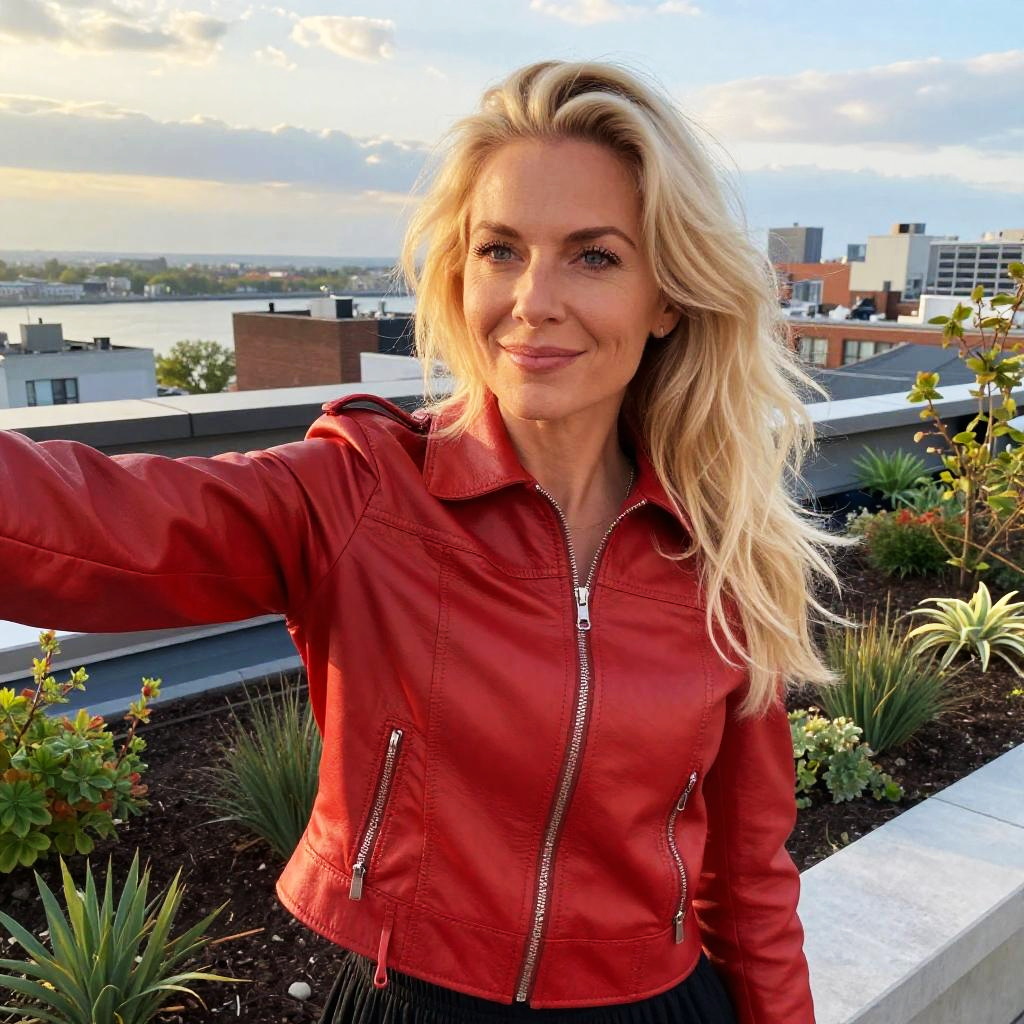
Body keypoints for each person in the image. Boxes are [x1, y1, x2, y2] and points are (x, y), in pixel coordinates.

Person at [0, 61, 851, 1024]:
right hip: (411, 998)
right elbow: (88, 526)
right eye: (500, 250)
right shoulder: (363, 494)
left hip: (658, 1004)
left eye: (595, 256)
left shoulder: (725, 555)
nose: (533, 299)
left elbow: (749, 882)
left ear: (668, 299)